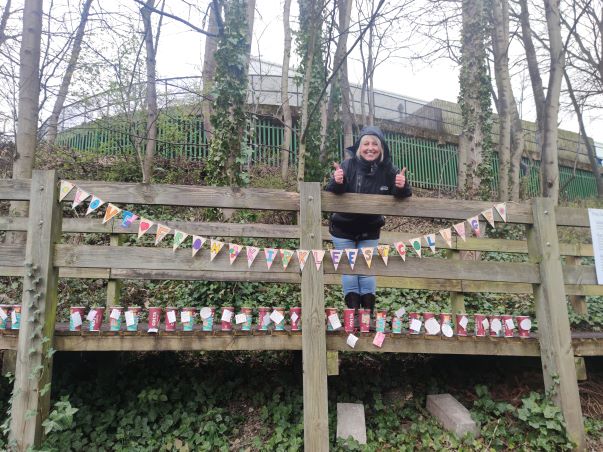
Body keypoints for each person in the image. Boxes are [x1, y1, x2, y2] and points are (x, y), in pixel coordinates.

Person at [325, 126, 412, 316]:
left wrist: (401, 186)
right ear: (359, 147)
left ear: (381, 148)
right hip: (343, 228)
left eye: (375, 144)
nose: (370, 147)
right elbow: (331, 192)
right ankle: (352, 316)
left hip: (370, 229)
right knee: (350, 269)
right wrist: (336, 181)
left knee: (366, 269)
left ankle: (367, 316)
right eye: (366, 143)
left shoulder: (389, 168)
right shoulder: (347, 166)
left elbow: (401, 194)